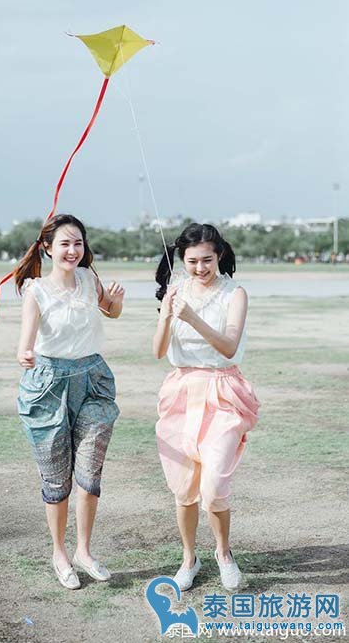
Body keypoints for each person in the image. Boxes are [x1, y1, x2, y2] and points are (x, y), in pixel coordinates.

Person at [15, 214, 125, 590]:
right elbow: (25, 342)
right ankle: (59, 552)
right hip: (48, 385)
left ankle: (84, 550)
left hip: (92, 379)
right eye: (64, 243)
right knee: (57, 477)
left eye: (77, 243)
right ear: (47, 248)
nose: (73, 250)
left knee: (90, 473)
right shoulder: (36, 291)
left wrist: (116, 302)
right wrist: (25, 355)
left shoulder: (88, 278)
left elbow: (109, 310)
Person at [153, 223, 259, 591]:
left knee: (214, 486)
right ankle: (189, 558)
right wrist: (167, 314)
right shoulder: (176, 292)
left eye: (207, 260)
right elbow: (157, 350)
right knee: (184, 489)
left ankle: (224, 553)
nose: (200, 268)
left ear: (220, 257)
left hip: (223, 392)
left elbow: (229, 346)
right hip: (181, 391)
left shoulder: (235, 293)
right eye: (193, 261)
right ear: (181, 260)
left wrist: (191, 318)